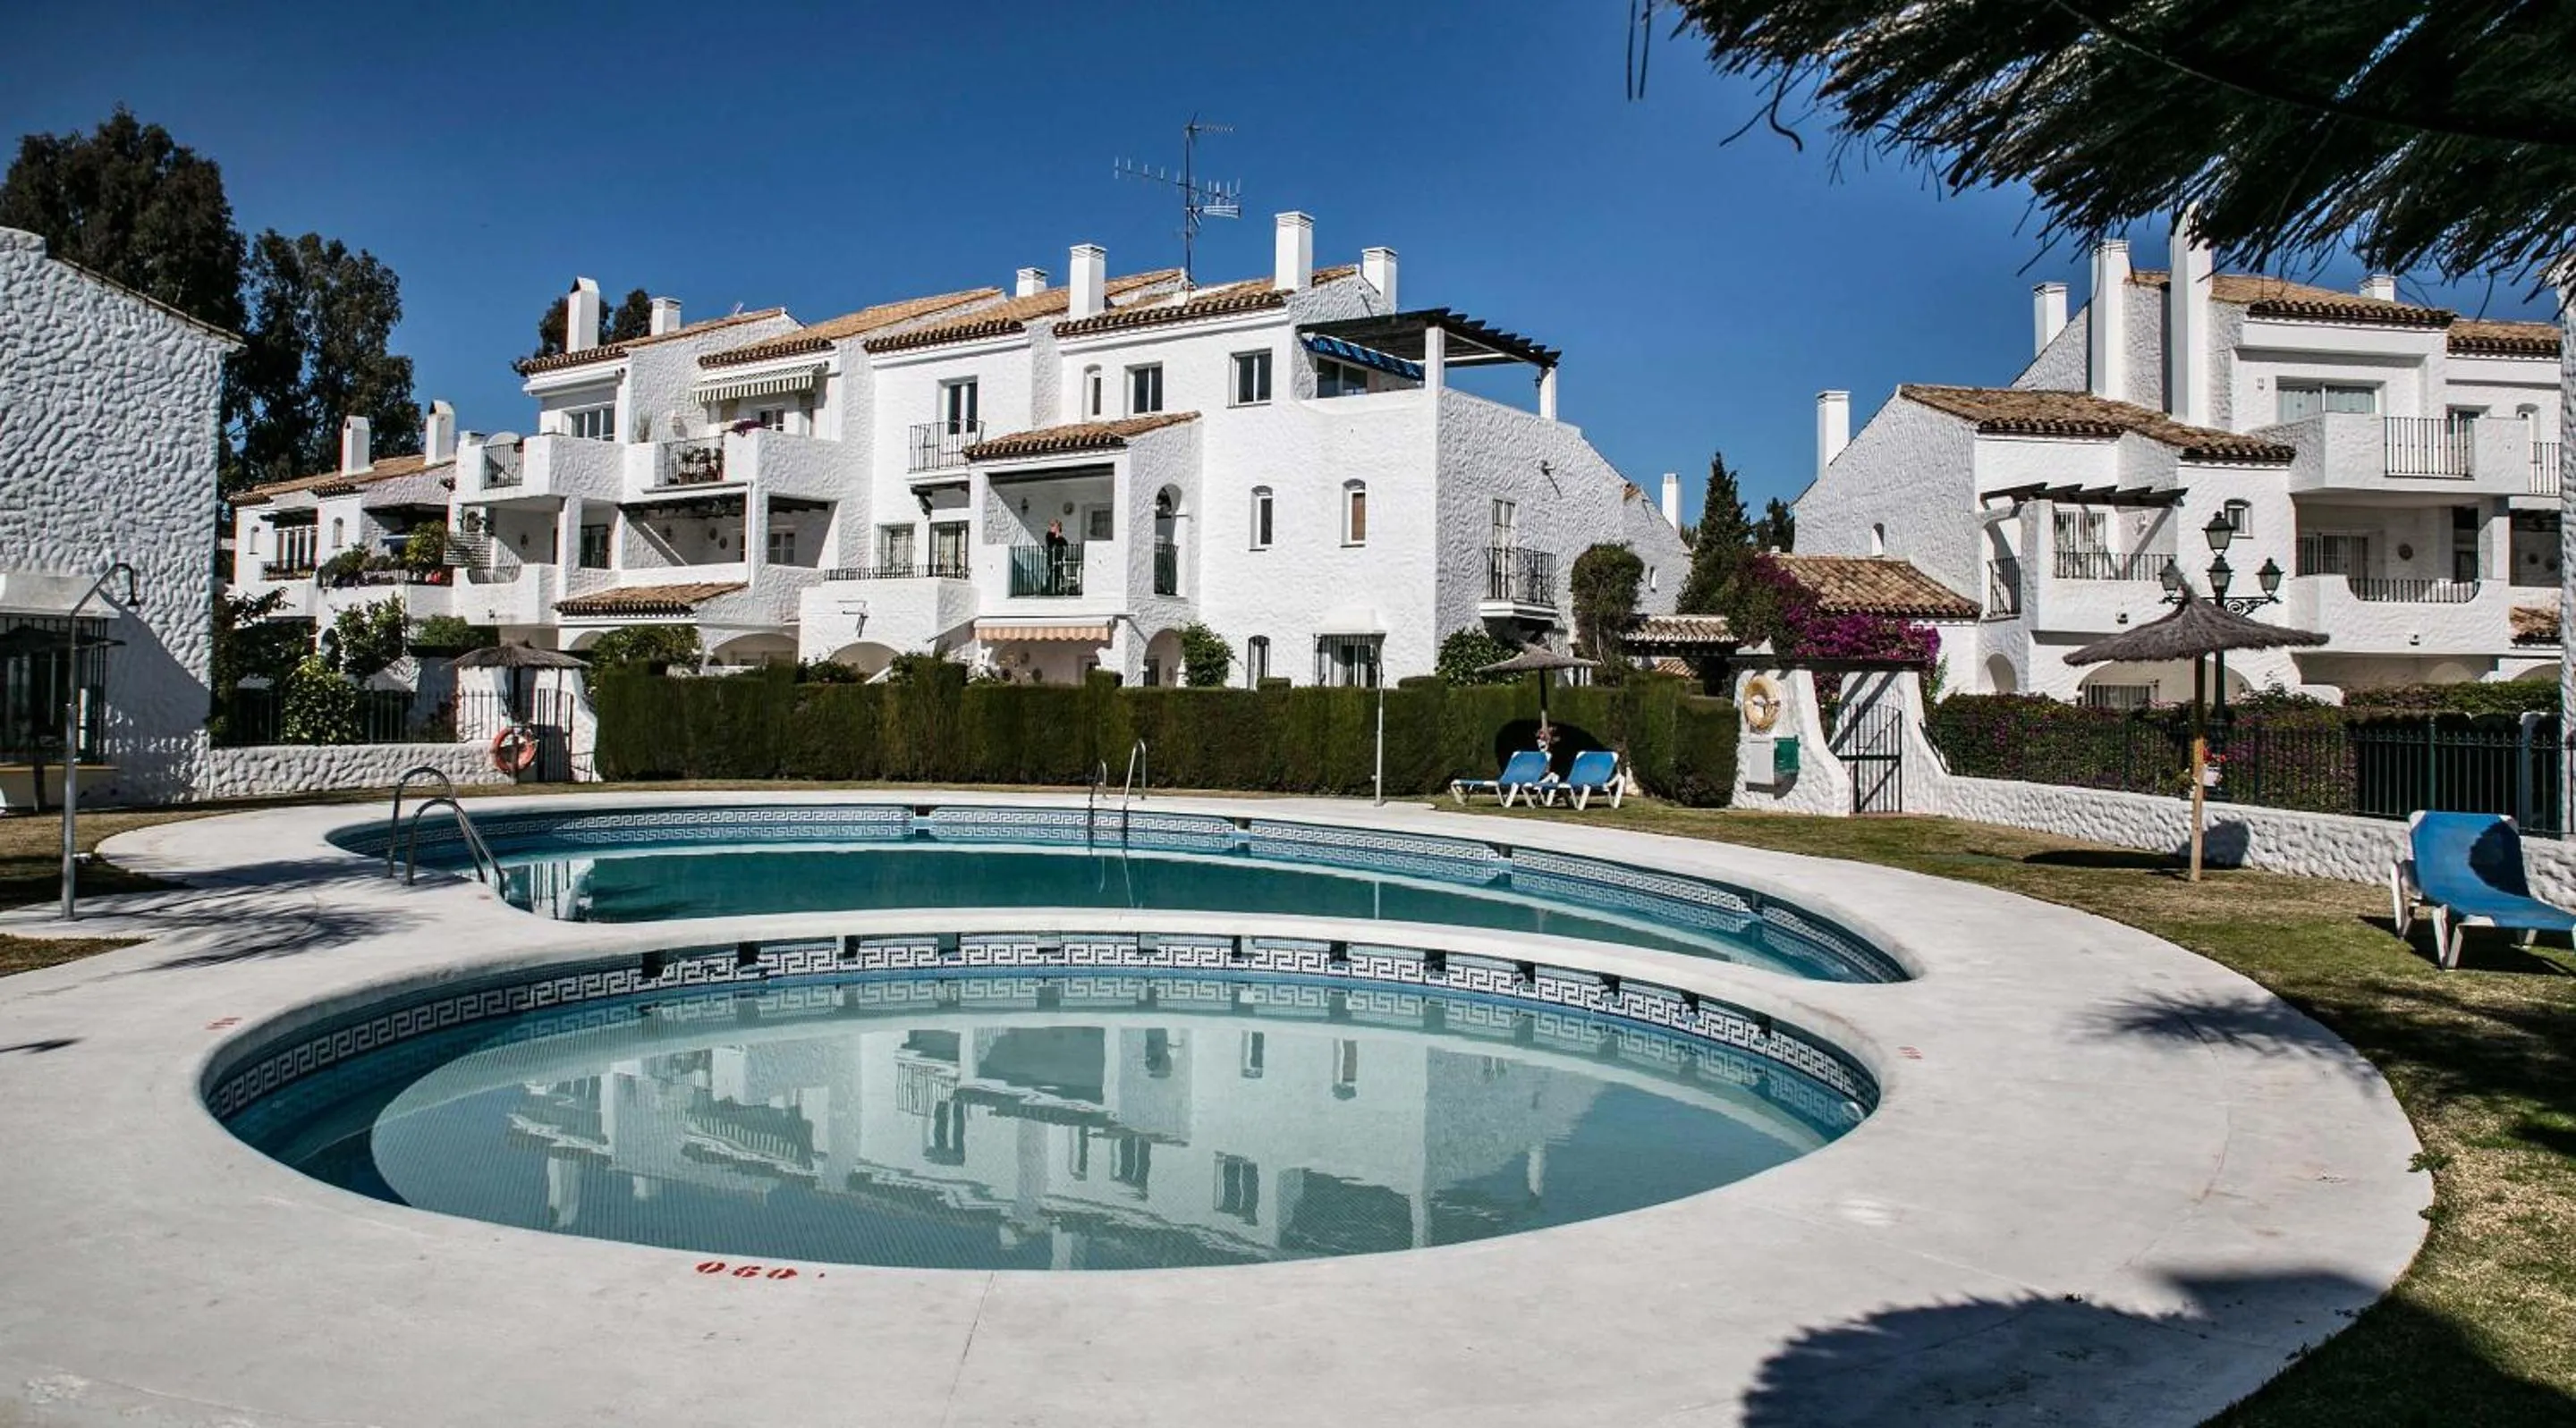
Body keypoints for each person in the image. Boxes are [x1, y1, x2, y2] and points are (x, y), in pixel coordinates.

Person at [1044, 519, 1069, 594]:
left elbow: (1065, 543)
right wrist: (1057, 537)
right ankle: (1050, 589)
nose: (1057, 529)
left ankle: (1057, 588)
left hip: (1059, 557)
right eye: (1056, 527)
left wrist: (1059, 537)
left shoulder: (1060, 537)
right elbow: (1051, 543)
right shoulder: (1049, 535)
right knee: (1052, 572)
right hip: (1052, 557)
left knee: (1059, 574)